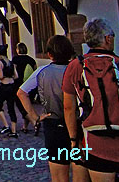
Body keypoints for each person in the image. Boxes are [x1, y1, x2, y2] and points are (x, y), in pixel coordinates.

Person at [63, 18, 119, 181]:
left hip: (94, 142)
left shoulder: (76, 66)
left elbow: (69, 108)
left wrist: (74, 141)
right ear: (108, 39)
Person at [18, 35, 82, 182]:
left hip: (53, 124)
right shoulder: (78, 69)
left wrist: (35, 117)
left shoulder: (42, 71)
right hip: (78, 123)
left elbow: (21, 93)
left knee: (59, 176)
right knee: (80, 173)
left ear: (49, 54)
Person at [0, 44, 19, 137]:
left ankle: (6, 125)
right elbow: (16, 76)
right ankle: (14, 130)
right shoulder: (11, 63)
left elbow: (0, 76)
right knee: (11, 107)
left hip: (4, 86)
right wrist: (10, 76)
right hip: (12, 86)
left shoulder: (0, 63)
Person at [12, 42, 36, 133]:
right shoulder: (31, 60)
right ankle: (25, 126)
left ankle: (34, 122)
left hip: (19, 85)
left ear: (18, 50)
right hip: (30, 86)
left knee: (20, 106)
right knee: (28, 105)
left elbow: (14, 73)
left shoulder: (15, 59)